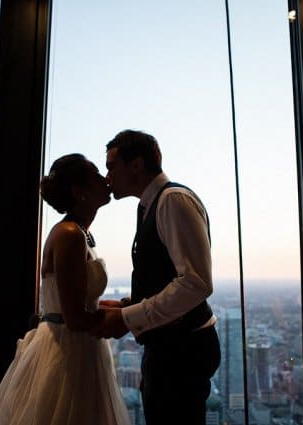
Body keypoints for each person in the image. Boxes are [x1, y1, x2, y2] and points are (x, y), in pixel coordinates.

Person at [0, 153, 131, 425]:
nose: (105, 179)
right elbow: (73, 317)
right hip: (67, 351)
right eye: (97, 175)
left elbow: (78, 300)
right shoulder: (70, 234)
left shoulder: (81, 233)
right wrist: (123, 319)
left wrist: (118, 306)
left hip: (82, 348)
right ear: (80, 192)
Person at [94, 130, 221, 425]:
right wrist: (129, 304)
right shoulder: (151, 205)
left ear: (136, 165)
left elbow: (196, 283)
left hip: (184, 351)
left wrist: (128, 317)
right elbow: (167, 277)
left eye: (112, 166)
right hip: (171, 348)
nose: (107, 176)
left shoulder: (173, 200)